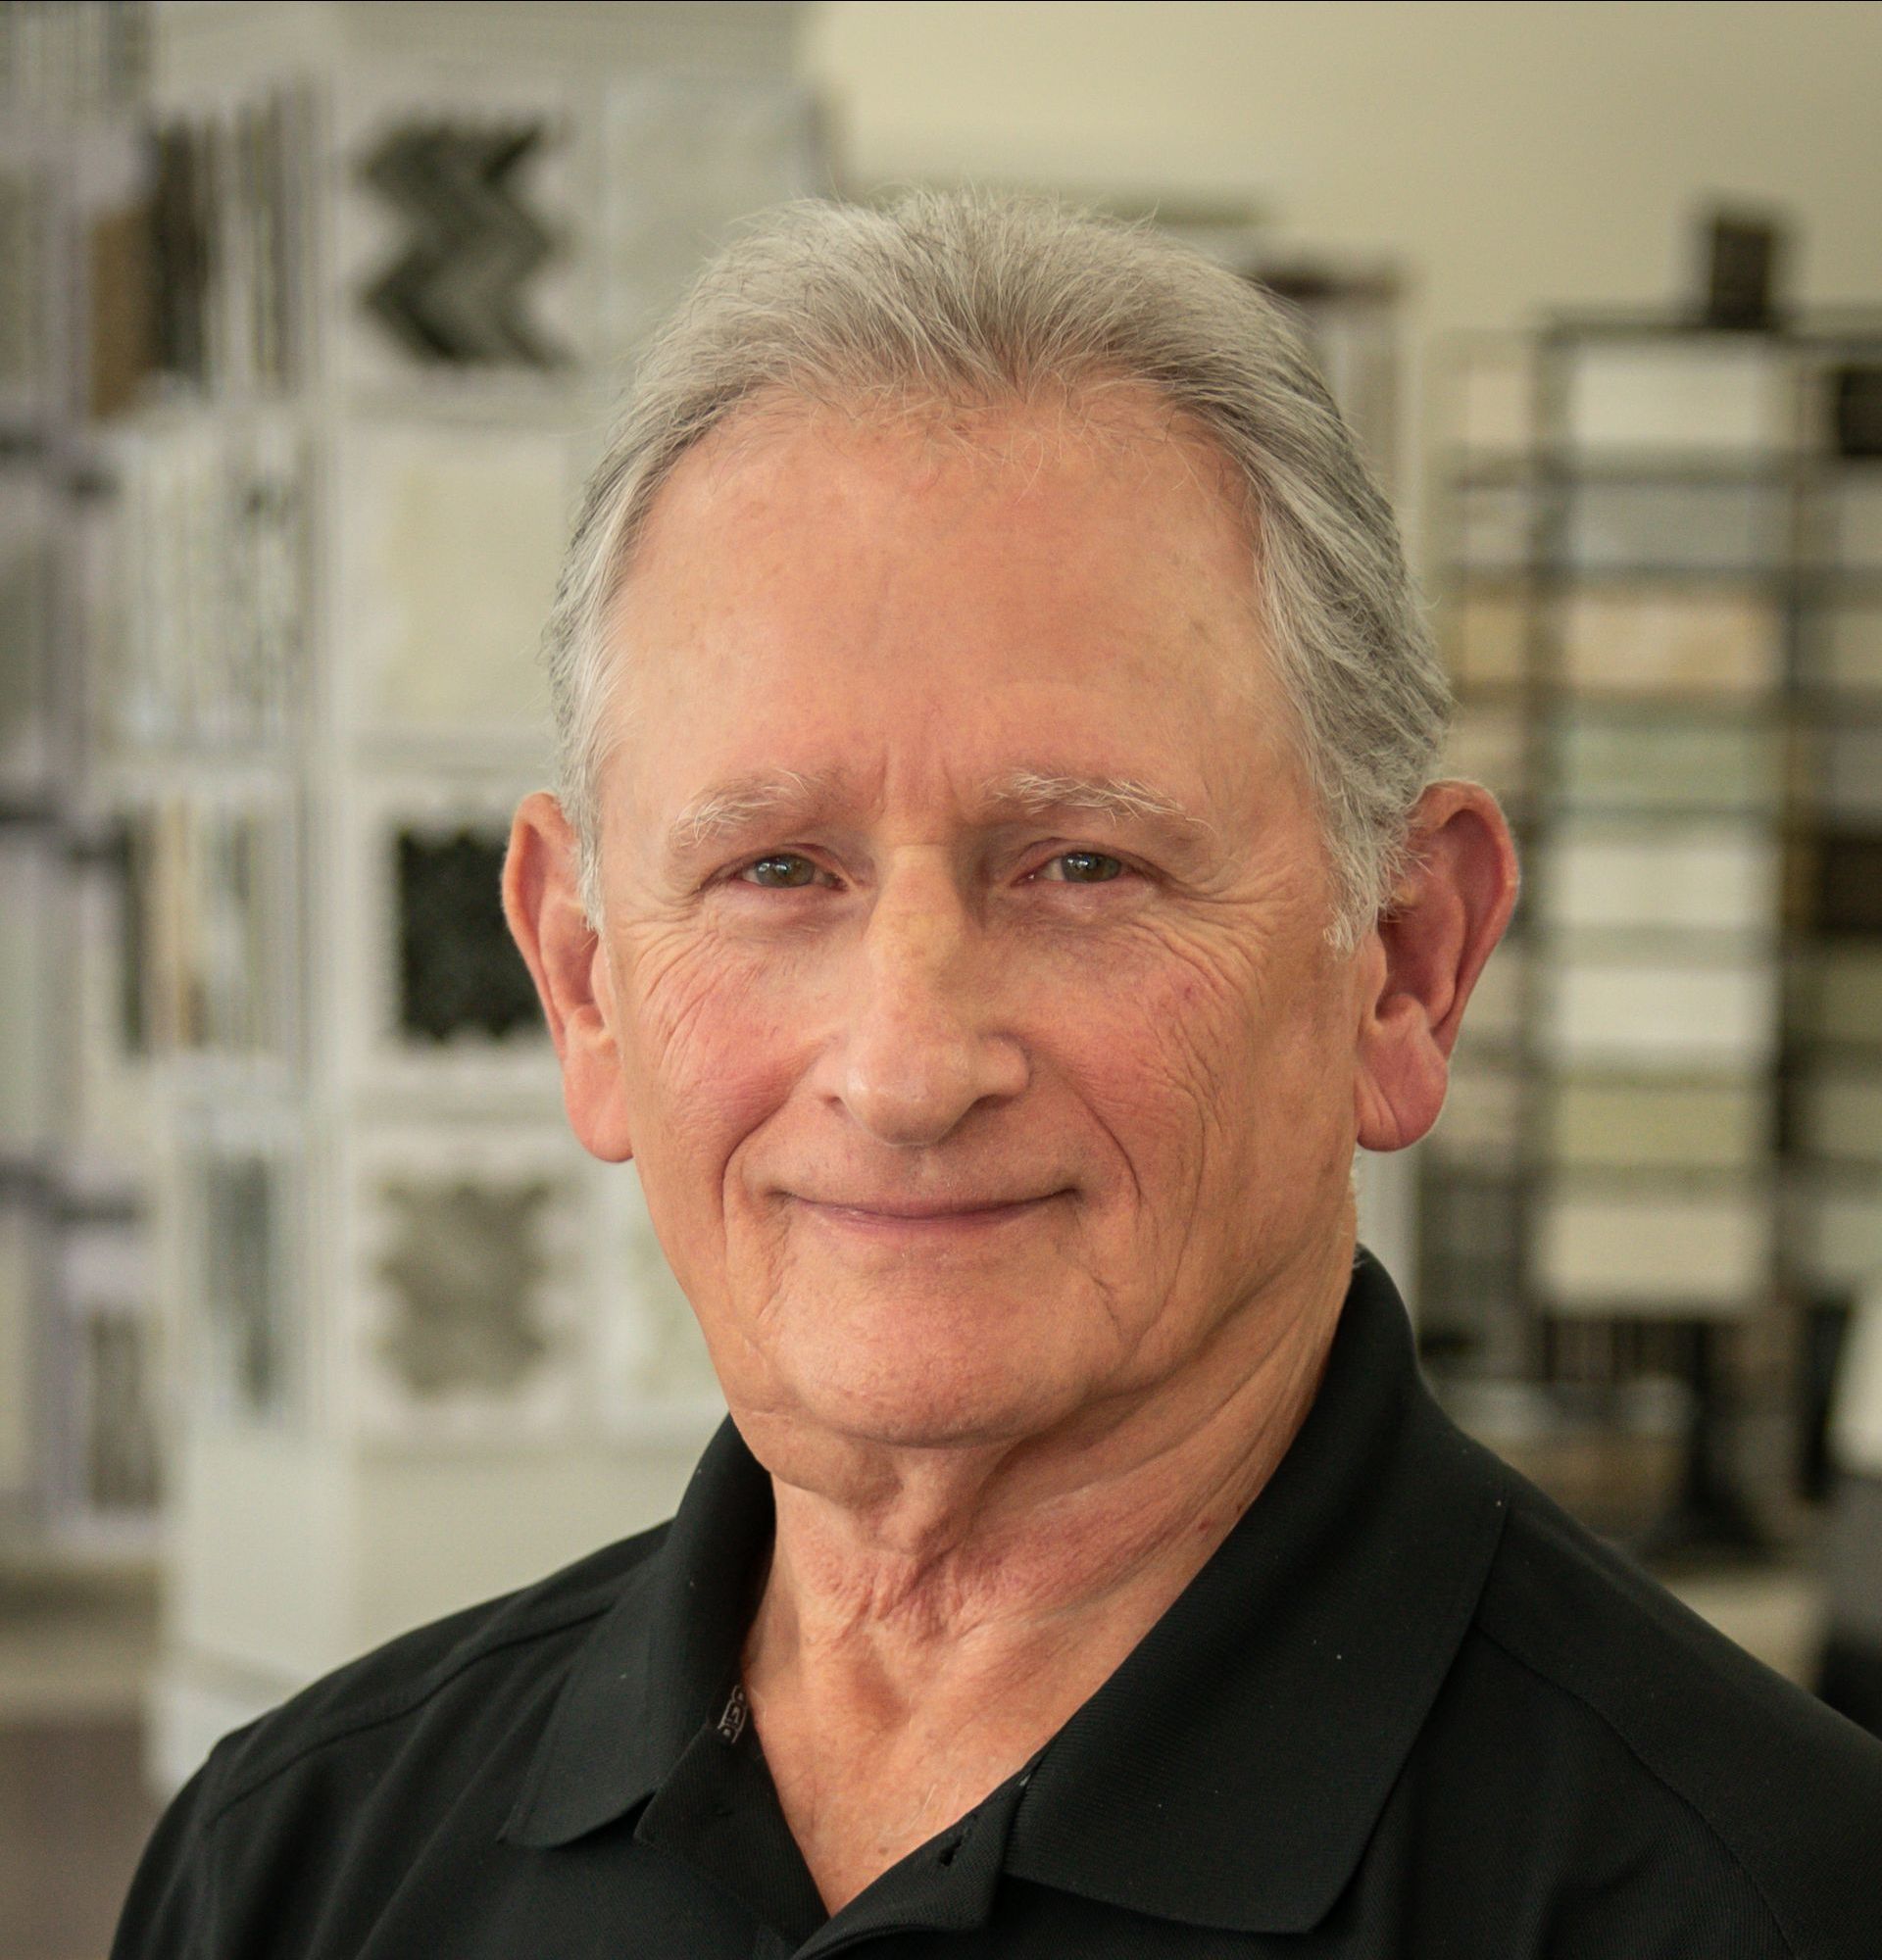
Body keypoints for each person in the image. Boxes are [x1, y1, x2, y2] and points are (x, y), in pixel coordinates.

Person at [113, 191, 1882, 1959]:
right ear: (583, 982)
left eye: (1081, 867)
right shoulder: (295, 1867)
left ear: (1406, 968)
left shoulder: (1763, 1903)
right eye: (775, 871)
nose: (904, 1067)